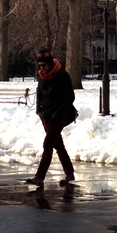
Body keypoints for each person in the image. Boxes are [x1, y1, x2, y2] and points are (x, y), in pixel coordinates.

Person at [25, 48, 76, 189]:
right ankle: (70, 173)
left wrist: (58, 112)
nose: (42, 68)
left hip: (58, 115)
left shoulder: (62, 75)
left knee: (48, 144)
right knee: (57, 144)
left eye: (44, 65)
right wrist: (38, 111)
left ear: (51, 64)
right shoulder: (41, 76)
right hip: (45, 116)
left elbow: (70, 97)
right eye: (40, 66)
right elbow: (39, 93)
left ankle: (39, 177)